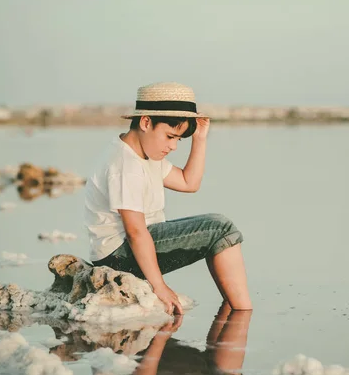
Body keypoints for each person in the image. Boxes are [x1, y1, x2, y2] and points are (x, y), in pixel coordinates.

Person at [84, 82, 252, 314]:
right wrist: (159, 287)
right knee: (220, 228)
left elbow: (188, 183)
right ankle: (243, 312)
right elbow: (135, 232)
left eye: (178, 140)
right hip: (119, 256)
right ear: (145, 122)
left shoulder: (143, 154)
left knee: (218, 229)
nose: (173, 146)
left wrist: (200, 140)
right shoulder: (126, 164)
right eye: (169, 136)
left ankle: (233, 311)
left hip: (129, 249)